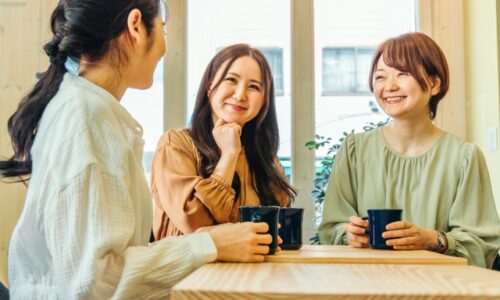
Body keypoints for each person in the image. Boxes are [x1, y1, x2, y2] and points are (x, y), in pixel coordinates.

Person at [0, 1, 274, 298]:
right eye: (164, 30)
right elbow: (94, 284)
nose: (164, 48)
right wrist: (210, 244)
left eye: (255, 87)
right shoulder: (86, 119)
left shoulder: (89, 112)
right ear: (136, 26)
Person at [318, 32, 500, 268]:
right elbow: (331, 227)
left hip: (439, 290)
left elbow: (481, 245)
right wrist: (350, 234)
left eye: (403, 74)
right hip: (365, 286)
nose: (389, 86)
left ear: (434, 84)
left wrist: (433, 239)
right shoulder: (354, 150)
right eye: (380, 76)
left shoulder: (463, 157)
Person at [151, 44, 296, 239]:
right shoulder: (175, 145)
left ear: (264, 100)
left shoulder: (268, 160)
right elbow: (194, 226)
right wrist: (228, 155)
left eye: (254, 86)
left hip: (257, 270)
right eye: (231, 80)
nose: (240, 95)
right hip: (194, 270)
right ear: (210, 85)